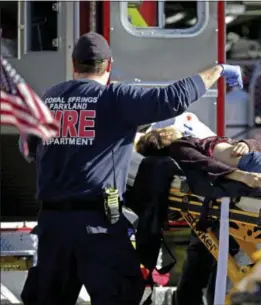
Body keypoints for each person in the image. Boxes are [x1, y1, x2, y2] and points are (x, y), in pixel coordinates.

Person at [18, 32, 244, 305]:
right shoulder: (116, 98)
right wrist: (218, 70)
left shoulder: (50, 97)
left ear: (74, 63)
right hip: (97, 230)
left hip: (52, 228)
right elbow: (173, 97)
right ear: (109, 65)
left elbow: (28, 147)